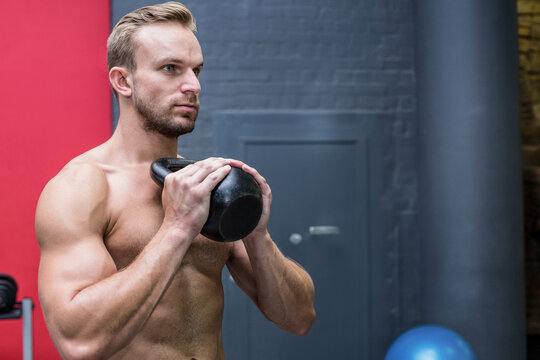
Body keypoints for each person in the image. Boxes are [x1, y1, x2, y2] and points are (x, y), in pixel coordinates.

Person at [34, 2, 316, 359]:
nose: (193, 85)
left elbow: (298, 318)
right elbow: (78, 343)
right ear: (123, 81)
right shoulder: (83, 188)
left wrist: (258, 237)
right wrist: (178, 229)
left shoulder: (206, 187)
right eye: (171, 69)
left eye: (196, 70)